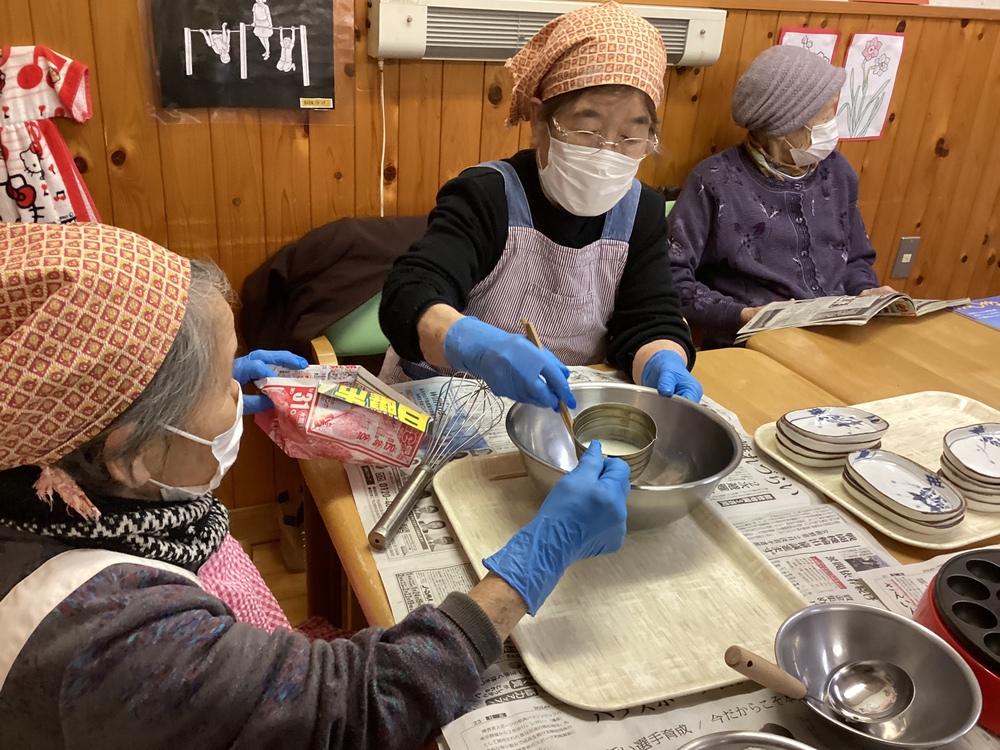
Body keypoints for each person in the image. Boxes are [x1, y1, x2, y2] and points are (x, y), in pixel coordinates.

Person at [0, 222, 632, 749]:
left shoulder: (53, 475)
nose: (238, 390)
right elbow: (355, 708)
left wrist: (221, 389)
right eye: (222, 383)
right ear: (128, 454)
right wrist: (529, 568)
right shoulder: (115, 640)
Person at [379, 1, 702, 408]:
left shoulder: (642, 211)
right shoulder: (486, 196)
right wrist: (473, 344)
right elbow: (409, 294)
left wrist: (662, 358)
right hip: (447, 400)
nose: (607, 152)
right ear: (539, 119)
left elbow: (649, 317)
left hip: (557, 407)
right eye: (587, 129)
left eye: (630, 137)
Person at [667, 45, 895, 349]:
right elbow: (670, 276)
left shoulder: (837, 171)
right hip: (754, 345)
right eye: (825, 115)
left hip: (838, 337)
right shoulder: (715, 181)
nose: (833, 123)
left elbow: (855, 257)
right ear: (783, 126)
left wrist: (866, 291)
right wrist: (744, 315)